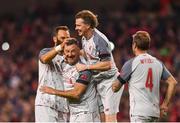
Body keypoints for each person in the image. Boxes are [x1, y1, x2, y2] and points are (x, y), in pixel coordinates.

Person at [112, 31, 178, 122]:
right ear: (147, 45)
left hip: (139, 113)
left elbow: (115, 87)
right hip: (154, 113)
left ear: (134, 45)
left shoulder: (131, 63)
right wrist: (165, 105)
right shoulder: (158, 63)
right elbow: (173, 82)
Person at [74, 10, 124, 122]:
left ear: (87, 25)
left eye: (78, 25)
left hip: (110, 82)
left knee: (110, 118)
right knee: (102, 118)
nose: (76, 28)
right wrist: (74, 52)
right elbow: (90, 55)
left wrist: (86, 67)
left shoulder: (99, 39)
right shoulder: (84, 38)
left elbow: (107, 64)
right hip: (99, 82)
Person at [40, 38, 100, 122]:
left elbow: (76, 94)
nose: (70, 54)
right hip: (73, 114)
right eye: (67, 51)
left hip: (87, 114)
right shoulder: (64, 63)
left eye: (73, 51)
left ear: (79, 51)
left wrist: (53, 91)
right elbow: (44, 59)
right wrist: (59, 47)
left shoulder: (84, 67)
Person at [35, 26, 70, 122]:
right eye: (63, 38)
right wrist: (60, 47)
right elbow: (44, 59)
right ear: (55, 39)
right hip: (45, 103)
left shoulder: (70, 58)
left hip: (63, 107)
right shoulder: (46, 51)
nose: (66, 41)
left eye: (68, 38)